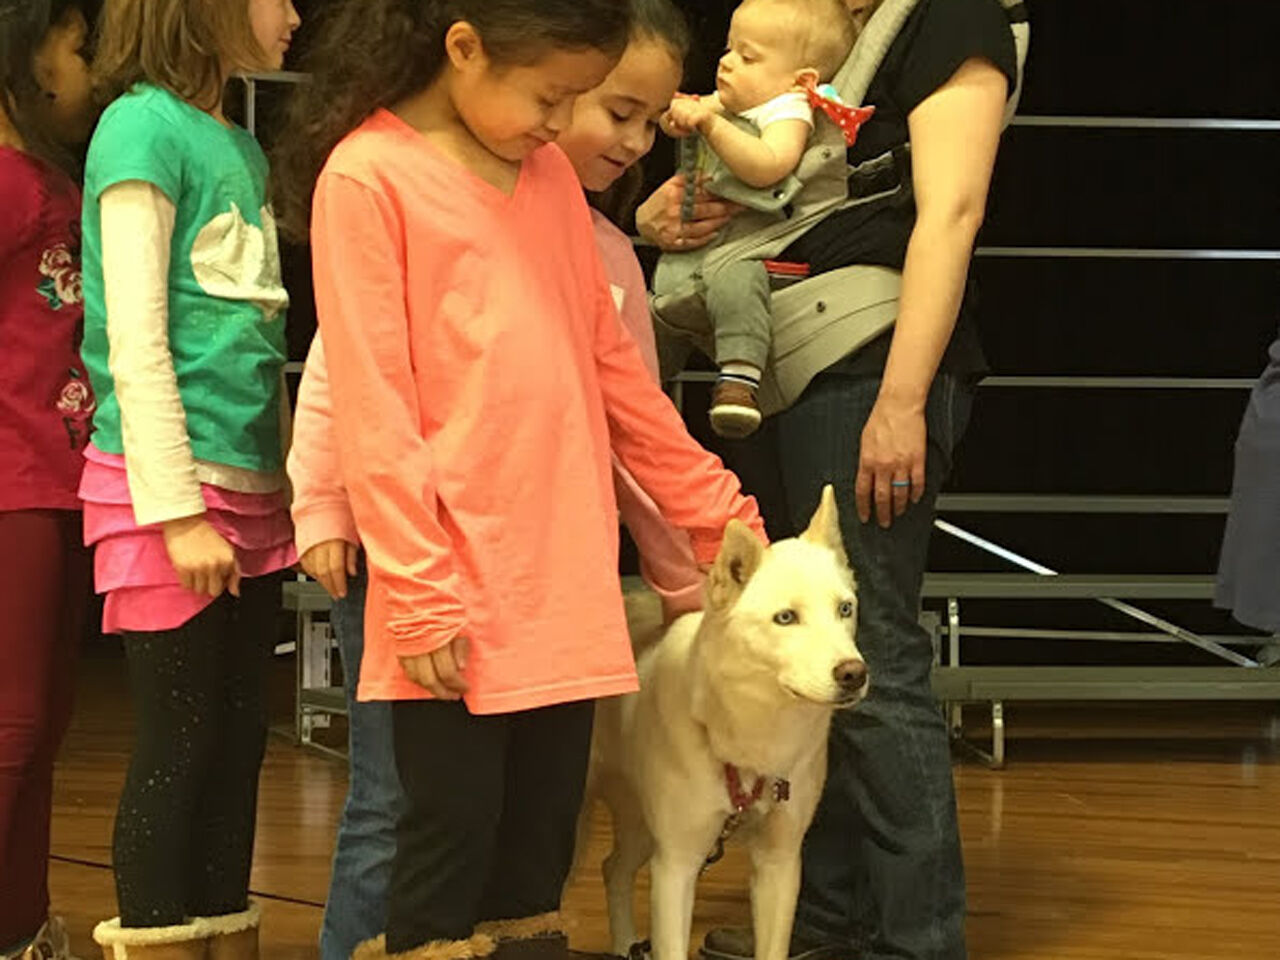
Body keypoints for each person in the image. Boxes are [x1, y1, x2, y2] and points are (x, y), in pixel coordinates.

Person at [271, 1, 765, 958]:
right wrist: (415, 592)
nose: (560, 122)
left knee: (537, 861)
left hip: (563, 586)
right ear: (463, 48)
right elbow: (373, 401)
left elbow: (616, 376)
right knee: (442, 849)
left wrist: (715, 515)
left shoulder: (543, 178)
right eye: (552, 95)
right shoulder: (368, 177)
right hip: (449, 593)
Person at [640, 0, 1021, 957]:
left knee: (870, 651)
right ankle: (826, 914)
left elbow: (954, 209)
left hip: (865, 357)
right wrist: (670, 209)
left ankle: (915, 940)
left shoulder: (950, 18)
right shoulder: (815, 28)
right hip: (791, 362)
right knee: (802, 656)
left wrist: (901, 401)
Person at [79, 1, 301, 957]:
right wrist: (174, 514)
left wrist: (288, 490)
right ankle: (161, 938)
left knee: (237, 737)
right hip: (166, 491)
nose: (294, 16)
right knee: (177, 744)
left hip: (248, 489)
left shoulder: (239, 148)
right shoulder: (137, 127)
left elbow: (260, 339)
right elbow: (132, 340)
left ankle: (223, 934)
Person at [0, 2, 97, 957]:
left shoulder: (47, 177)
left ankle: (23, 931)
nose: (92, 67)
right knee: (12, 730)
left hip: (61, 479)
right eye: (77, 47)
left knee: (40, 733)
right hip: (13, 484)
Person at [657, 0, 858, 438]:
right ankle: (641, 386)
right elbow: (691, 112)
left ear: (801, 80)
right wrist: (678, 116)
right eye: (729, 50)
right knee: (660, 303)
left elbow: (769, 164)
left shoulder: (788, 111)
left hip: (761, 241)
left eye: (747, 57)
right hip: (707, 242)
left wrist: (710, 125)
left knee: (736, 284)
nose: (727, 64)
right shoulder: (739, 100)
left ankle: (740, 377)